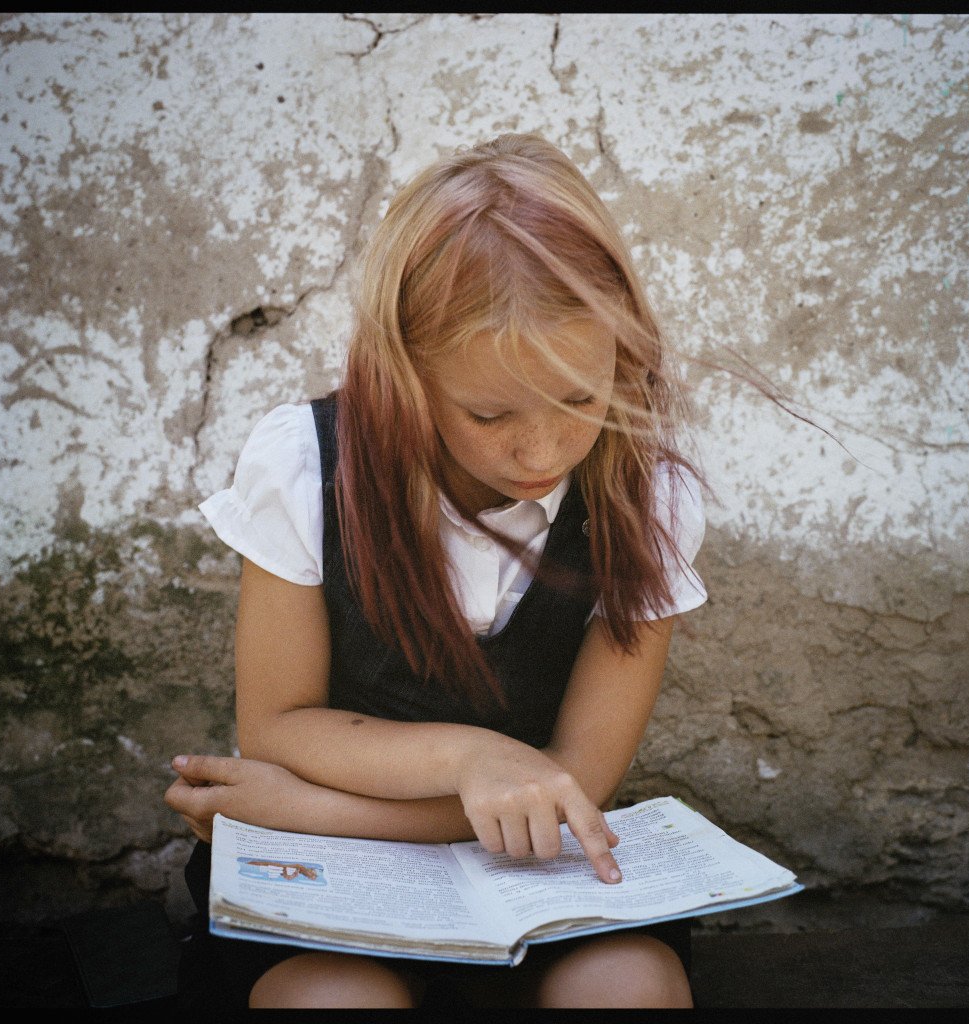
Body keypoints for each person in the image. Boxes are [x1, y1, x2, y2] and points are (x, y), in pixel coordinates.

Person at [164, 132, 708, 1009]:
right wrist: (473, 757)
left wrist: (297, 807)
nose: (543, 451)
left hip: (539, 867)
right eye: (490, 415)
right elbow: (277, 727)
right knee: (333, 1003)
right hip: (336, 877)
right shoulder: (308, 466)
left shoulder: (647, 499)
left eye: (581, 397)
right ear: (403, 373)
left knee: (628, 988)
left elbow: (578, 779)